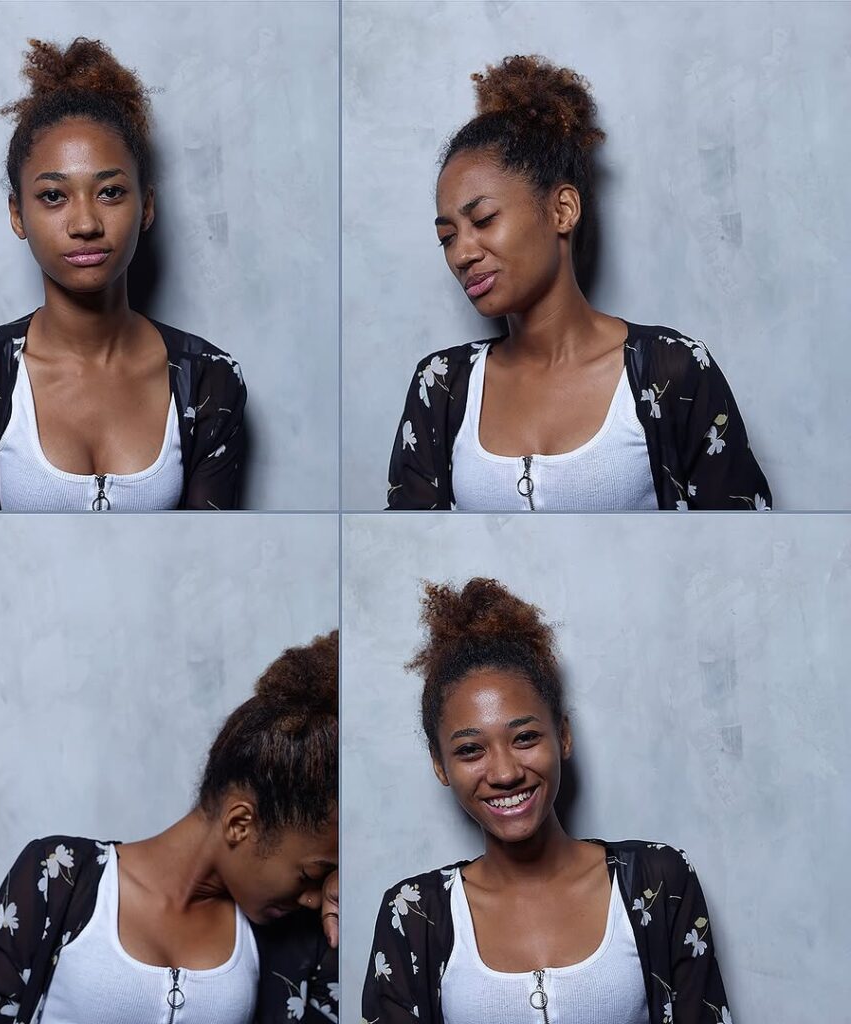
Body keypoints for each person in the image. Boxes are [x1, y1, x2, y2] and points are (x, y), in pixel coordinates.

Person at [386, 55, 769, 512]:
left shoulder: (673, 371)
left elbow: (736, 540)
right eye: (447, 238)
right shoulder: (441, 387)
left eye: (484, 219)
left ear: (562, 210)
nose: (462, 253)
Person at [362, 580, 732, 1024]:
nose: (504, 773)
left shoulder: (660, 882)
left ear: (564, 736)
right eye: (469, 750)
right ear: (440, 765)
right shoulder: (412, 913)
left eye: (525, 738)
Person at [0, 631, 339, 1023]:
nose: (310, 897)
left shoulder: (299, 934)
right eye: (310, 874)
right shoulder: (58, 878)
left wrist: (350, 898)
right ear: (240, 823)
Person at [0, 38, 245, 511]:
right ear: (17, 215)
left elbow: (210, 564)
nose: (85, 224)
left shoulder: (209, 380)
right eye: (53, 196)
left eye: (111, 192)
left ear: (147, 206)